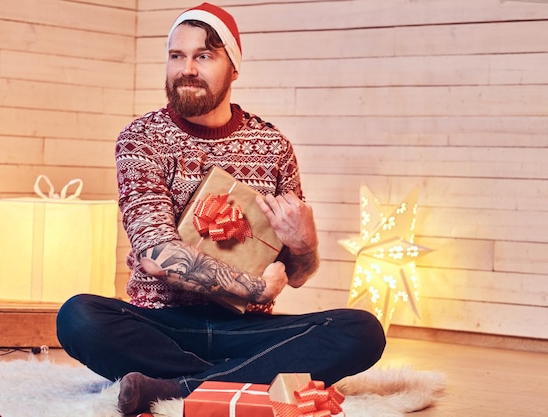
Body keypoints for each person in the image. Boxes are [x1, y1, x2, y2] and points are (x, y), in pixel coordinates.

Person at [56, 3, 386, 415]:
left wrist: (305, 246)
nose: (187, 68)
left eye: (204, 56)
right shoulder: (141, 138)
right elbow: (158, 257)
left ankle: (181, 385)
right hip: (161, 326)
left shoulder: (273, 147)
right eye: (177, 56)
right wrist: (254, 288)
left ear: (234, 67)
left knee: (362, 331)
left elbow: (295, 277)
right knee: (79, 316)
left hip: (247, 329)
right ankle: (246, 377)